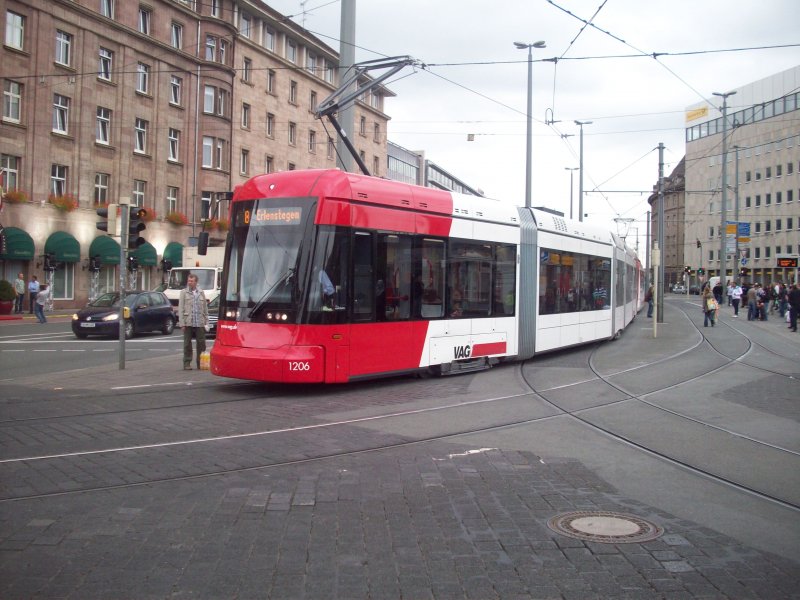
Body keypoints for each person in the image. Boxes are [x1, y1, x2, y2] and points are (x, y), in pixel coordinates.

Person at [177, 273, 209, 370]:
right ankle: (187, 363)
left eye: (191, 281)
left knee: (201, 343)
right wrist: (182, 323)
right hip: (188, 322)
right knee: (187, 343)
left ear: (196, 282)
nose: (189, 282)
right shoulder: (184, 292)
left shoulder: (201, 292)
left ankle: (200, 363)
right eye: (188, 281)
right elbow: (181, 308)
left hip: (199, 321)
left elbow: (205, 308)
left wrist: (206, 321)